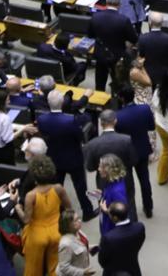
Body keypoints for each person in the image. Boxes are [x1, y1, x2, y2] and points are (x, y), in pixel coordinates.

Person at [34, 91, 95, 221]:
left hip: (54, 158)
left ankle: (59, 212)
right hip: (73, 157)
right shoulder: (70, 120)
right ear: (62, 103)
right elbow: (79, 137)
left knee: (57, 187)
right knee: (80, 186)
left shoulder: (42, 119)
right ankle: (87, 211)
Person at [14, 155, 69, 276]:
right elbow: (69, 209)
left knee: (33, 270)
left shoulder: (31, 195)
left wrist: (17, 207)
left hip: (37, 235)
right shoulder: (59, 188)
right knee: (55, 268)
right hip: (56, 231)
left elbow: (26, 219)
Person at [83, 109, 138, 217]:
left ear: (101, 123)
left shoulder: (92, 144)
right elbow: (133, 161)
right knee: (129, 203)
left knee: (106, 205)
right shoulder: (126, 140)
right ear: (115, 121)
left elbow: (89, 167)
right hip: (125, 178)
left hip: (104, 181)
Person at [114, 84, 155, 217]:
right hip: (142, 149)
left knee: (128, 184)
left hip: (126, 153)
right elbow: (151, 126)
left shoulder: (117, 116)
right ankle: (148, 208)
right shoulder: (145, 109)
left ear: (121, 99)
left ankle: (131, 211)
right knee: (145, 180)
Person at [87, 0, 138, 91]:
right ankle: (117, 100)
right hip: (117, 56)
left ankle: (99, 98)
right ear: (119, 4)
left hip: (100, 54)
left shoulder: (95, 16)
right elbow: (134, 39)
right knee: (118, 82)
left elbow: (90, 35)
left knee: (100, 81)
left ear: (106, 1)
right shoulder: (124, 20)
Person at [98, 202, 146, 276]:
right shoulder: (139, 227)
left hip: (113, 272)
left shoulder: (108, 238)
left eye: (109, 213)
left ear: (115, 218)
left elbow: (102, 261)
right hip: (133, 269)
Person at [96, 154, 128, 234]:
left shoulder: (117, 192)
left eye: (100, 167)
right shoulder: (113, 181)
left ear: (108, 170)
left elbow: (121, 213)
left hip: (111, 228)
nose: (98, 169)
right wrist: (102, 194)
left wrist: (106, 210)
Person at [57, 209, 93, 276]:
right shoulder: (65, 244)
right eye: (76, 220)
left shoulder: (78, 232)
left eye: (79, 218)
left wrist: (90, 247)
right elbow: (64, 268)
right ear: (68, 225)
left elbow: (79, 246)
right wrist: (82, 272)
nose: (80, 221)